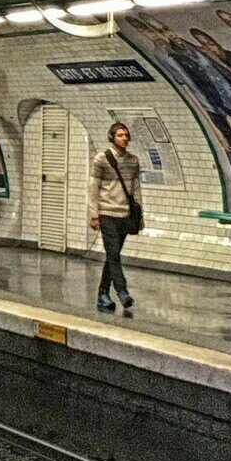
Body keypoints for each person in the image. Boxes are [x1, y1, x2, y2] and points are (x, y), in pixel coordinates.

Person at [87, 121, 144, 317]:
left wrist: (139, 215)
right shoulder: (101, 160)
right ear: (112, 138)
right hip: (106, 213)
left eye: (126, 135)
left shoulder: (133, 161)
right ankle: (122, 291)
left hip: (125, 214)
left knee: (113, 255)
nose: (125, 138)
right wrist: (94, 215)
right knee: (113, 254)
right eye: (120, 135)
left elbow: (136, 188)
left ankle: (103, 294)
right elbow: (93, 188)